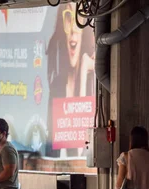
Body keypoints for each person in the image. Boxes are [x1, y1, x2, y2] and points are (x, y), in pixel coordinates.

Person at [46, 2, 96, 158]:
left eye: (80, 20)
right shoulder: (57, 86)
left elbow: (84, 151)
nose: (74, 30)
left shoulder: (95, 83)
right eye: (68, 18)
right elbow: (51, 148)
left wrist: (82, 77)